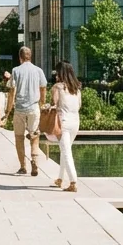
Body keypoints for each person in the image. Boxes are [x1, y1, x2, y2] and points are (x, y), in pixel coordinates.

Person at [7, 47, 46, 176]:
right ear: (31, 56)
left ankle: (23, 166)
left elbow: (12, 90)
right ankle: (34, 160)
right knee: (34, 137)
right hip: (34, 107)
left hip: (19, 108)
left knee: (19, 137)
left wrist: (8, 109)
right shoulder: (38, 71)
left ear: (20, 57)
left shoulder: (16, 70)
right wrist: (42, 103)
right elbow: (43, 87)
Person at [50, 61, 82, 192]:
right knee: (65, 150)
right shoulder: (76, 88)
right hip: (75, 122)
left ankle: (73, 182)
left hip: (63, 122)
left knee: (66, 152)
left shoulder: (57, 87)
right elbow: (79, 105)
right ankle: (60, 179)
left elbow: (54, 103)